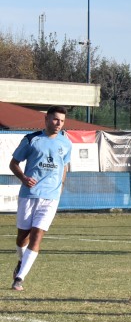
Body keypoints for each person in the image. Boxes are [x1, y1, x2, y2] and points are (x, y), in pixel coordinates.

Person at [10, 106, 72, 291]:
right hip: (29, 195)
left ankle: (19, 278)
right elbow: (13, 163)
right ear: (46, 119)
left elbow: (64, 167)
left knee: (37, 237)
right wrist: (23, 178)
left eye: (61, 121)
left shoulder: (66, 143)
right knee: (23, 237)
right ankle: (22, 262)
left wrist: (60, 187)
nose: (58, 124)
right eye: (55, 120)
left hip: (51, 197)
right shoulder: (31, 139)